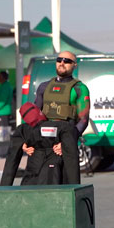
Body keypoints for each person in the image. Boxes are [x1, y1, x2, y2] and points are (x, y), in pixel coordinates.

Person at [23, 51, 90, 180]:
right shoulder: (44, 87)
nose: (62, 63)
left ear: (74, 65)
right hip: (44, 144)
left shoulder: (80, 88)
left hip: (66, 144)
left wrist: (67, 143)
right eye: (59, 60)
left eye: (67, 61)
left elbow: (83, 120)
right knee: (39, 186)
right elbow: (34, 118)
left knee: (67, 187)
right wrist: (28, 141)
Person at [0, 102, 79, 186]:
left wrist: (3, 188)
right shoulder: (63, 127)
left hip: (32, 173)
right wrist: (75, 187)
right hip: (54, 173)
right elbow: (71, 158)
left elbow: (11, 161)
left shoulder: (23, 130)